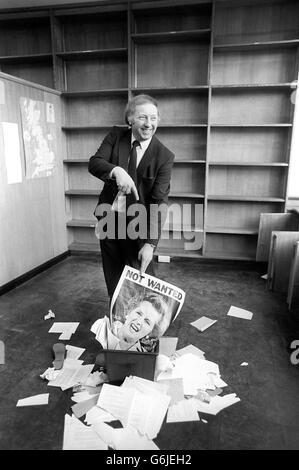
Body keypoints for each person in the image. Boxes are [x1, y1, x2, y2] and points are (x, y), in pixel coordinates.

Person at [88, 94, 175, 298]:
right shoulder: (116, 136)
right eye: (143, 117)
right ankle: (118, 320)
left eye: (153, 118)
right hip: (109, 218)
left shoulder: (164, 156)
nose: (148, 124)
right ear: (130, 119)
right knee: (113, 276)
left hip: (138, 226)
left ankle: (142, 323)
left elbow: (158, 201)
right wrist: (117, 171)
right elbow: (95, 163)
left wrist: (150, 244)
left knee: (140, 277)